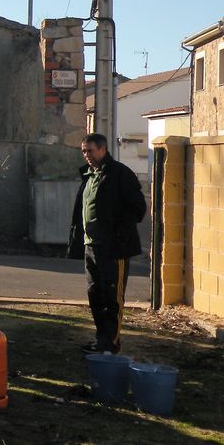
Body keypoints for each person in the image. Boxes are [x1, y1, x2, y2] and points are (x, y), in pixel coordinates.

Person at [68, 133, 146, 354]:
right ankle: (101, 339)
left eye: (90, 151)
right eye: (83, 151)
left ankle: (111, 343)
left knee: (112, 298)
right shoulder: (90, 175)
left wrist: (118, 235)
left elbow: (138, 208)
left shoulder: (119, 174)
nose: (86, 155)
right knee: (95, 294)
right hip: (91, 246)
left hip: (114, 248)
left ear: (103, 149)